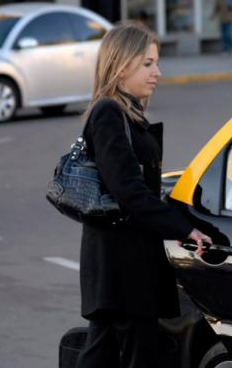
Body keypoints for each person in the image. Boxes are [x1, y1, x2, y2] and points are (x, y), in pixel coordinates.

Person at [75, 22, 212, 368]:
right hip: (121, 266)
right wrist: (184, 229)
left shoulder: (126, 113)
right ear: (122, 66)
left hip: (126, 264)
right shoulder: (109, 112)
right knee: (132, 354)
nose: (157, 72)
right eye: (148, 63)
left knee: (105, 353)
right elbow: (130, 191)